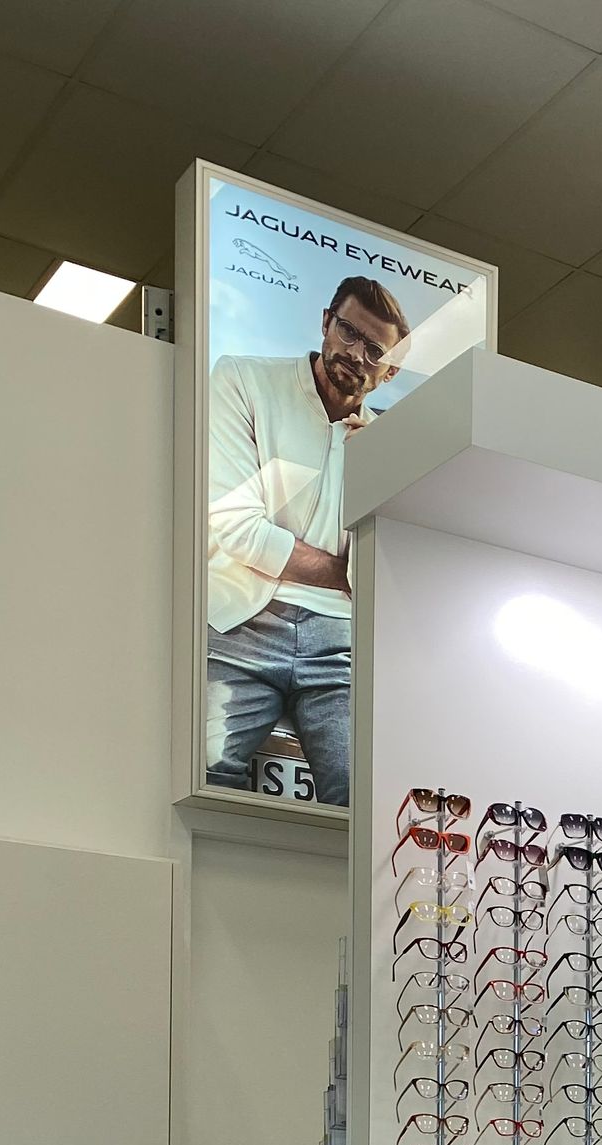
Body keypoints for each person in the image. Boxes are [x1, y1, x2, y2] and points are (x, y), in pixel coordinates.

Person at [203, 276, 409, 807]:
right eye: (347, 331)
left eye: (373, 350)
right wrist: (345, 572)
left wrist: (381, 464)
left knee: (365, 809)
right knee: (199, 783)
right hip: (240, 624)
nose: (354, 354)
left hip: (341, 643)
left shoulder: (393, 441)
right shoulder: (244, 380)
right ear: (325, 322)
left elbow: (396, 564)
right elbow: (233, 525)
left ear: (390, 371)